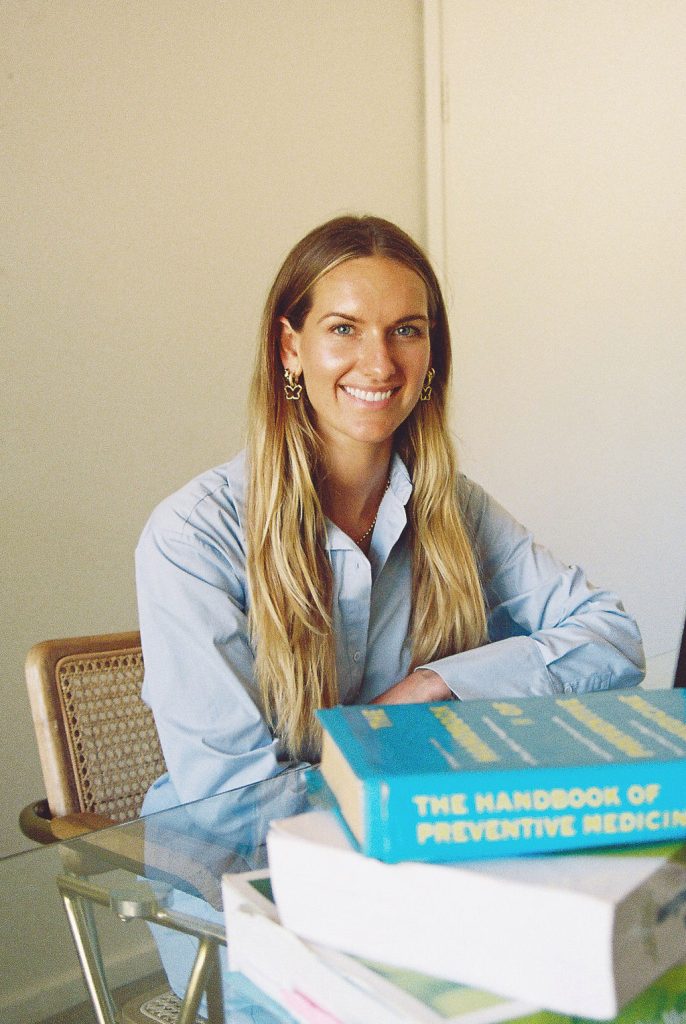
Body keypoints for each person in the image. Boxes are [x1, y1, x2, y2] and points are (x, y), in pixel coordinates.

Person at [135, 214, 645, 1017]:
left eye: (407, 330)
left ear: (432, 354)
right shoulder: (193, 535)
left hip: (418, 862)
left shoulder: (454, 510)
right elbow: (238, 806)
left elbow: (612, 635)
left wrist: (435, 686)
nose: (380, 362)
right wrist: (420, 787)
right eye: (345, 329)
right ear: (290, 347)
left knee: (603, 972)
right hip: (247, 889)